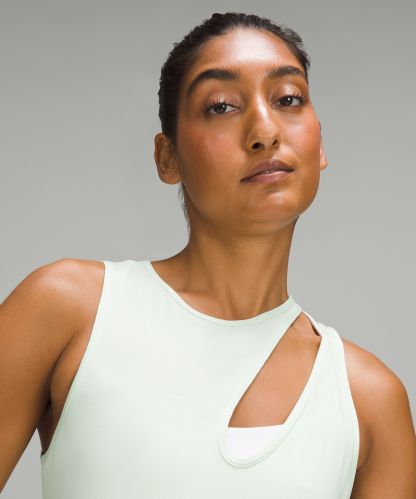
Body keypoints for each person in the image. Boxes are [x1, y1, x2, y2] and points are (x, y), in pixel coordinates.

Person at [1, 11, 415, 499]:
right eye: (221, 106)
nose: (265, 131)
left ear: (320, 143)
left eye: (288, 98)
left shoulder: (369, 401)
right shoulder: (68, 310)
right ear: (168, 157)